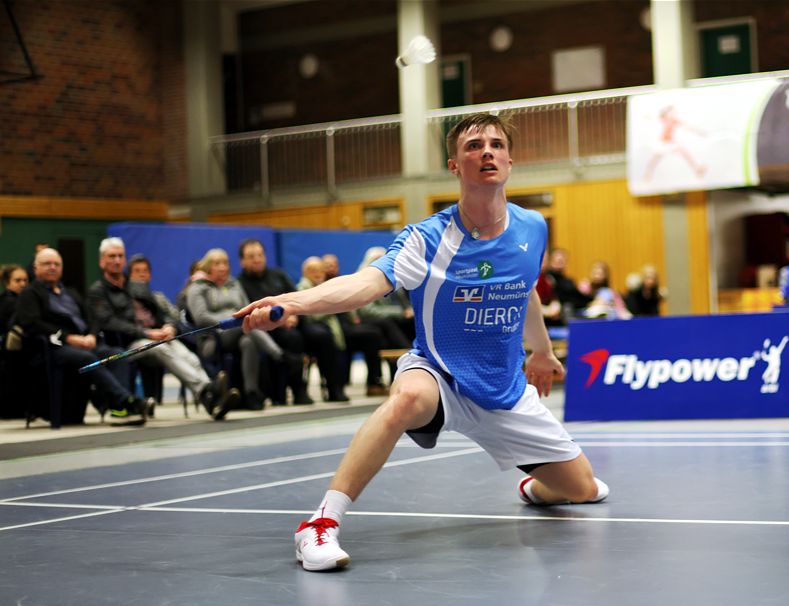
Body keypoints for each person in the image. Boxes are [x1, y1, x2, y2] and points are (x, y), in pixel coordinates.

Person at [237, 113, 609, 572]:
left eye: (495, 144)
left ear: (510, 161)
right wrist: (293, 302)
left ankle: (533, 485)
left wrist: (541, 350)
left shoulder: (532, 227)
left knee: (583, 490)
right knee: (406, 398)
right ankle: (318, 525)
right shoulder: (427, 239)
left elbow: (525, 287)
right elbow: (366, 284)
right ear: (455, 165)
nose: (486, 152)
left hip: (505, 389)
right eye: (474, 146)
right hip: (440, 374)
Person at [87, 238, 238, 420]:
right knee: (161, 348)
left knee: (187, 356)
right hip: (128, 344)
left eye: (120, 256)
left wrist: (170, 326)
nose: (117, 260)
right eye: (112, 256)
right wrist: (148, 333)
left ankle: (211, 399)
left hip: (156, 337)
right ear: (102, 261)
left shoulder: (136, 286)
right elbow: (111, 323)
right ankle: (208, 391)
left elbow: (161, 312)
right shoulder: (98, 290)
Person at [15, 248, 148, 425]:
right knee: (87, 357)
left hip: (84, 343)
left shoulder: (70, 292)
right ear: (36, 267)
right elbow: (32, 323)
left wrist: (92, 335)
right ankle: (127, 401)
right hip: (54, 348)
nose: (52, 267)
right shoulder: (30, 294)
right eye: (47, 264)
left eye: (56, 264)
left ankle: (120, 411)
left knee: (117, 355)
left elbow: (92, 318)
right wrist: (69, 338)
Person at [187, 248, 297, 410]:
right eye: (217, 263)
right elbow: (200, 316)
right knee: (248, 326)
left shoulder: (234, 284)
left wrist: (238, 320)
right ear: (208, 266)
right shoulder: (198, 287)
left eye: (225, 263)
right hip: (213, 336)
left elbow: (246, 307)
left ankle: (251, 393)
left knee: (248, 342)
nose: (223, 267)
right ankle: (280, 356)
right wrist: (229, 321)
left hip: (239, 332)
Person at [236, 238, 321, 405]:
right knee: (292, 338)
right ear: (242, 261)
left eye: (260, 255)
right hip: (266, 329)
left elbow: (296, 297)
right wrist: (280, 320)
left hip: (291, 320)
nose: (257, 259)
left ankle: (334, 388)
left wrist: (294, 314)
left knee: (321, 335)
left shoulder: (278, 274)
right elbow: (248, 311)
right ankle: (292, 391)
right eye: (251, 256)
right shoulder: (239, 283)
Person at [299, 256, 388, 397]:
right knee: (330, 340)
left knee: (374, 333)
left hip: (342, 327)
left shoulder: (332, 283)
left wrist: (353, 316)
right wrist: (332, 307)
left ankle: (374, 381)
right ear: (304, 272)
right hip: (325, 331)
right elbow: (312, 315)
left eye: (320, 269)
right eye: (312, 270)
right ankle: (336, 387)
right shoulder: (304, 288)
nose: (317, 273)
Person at [355, 246, 415, 380]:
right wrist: (400, 312)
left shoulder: (394, 279)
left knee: (414, 322)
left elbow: (404, 304)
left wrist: (408, 311)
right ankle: (408, 353)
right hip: (370, 320)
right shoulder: (363, 280)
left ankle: (413, 363)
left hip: (394, 319)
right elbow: (368, 310)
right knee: (388, 324)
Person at [1, 264, 28, 333]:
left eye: (25, 280)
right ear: (6, 282)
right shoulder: (7, 301)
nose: (23, 284)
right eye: (18, 280)